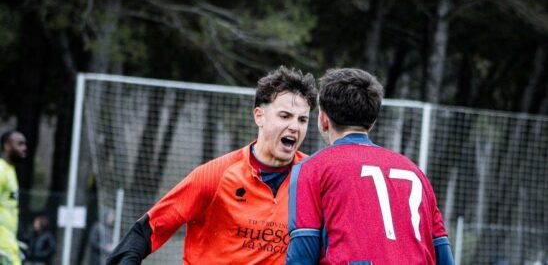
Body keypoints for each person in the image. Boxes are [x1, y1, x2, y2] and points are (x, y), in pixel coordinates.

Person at [107, 66, 317, 264]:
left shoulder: (314, 177)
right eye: (285, 116)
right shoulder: (215, 175)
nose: (294, 127)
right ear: (259, 116)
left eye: (302, 120)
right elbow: (149, 229)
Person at [286, 68, 454, 265]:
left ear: (323, 119)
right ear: (372, 122)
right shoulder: (415, 173)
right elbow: (442, 252)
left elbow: (302, 255)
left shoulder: (312, 168)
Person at [0, 130, 27, 265]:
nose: (24, 148)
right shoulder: (1, 170)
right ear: (7, 146)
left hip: (9, 244)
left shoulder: (10, 170)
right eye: (20, 144)